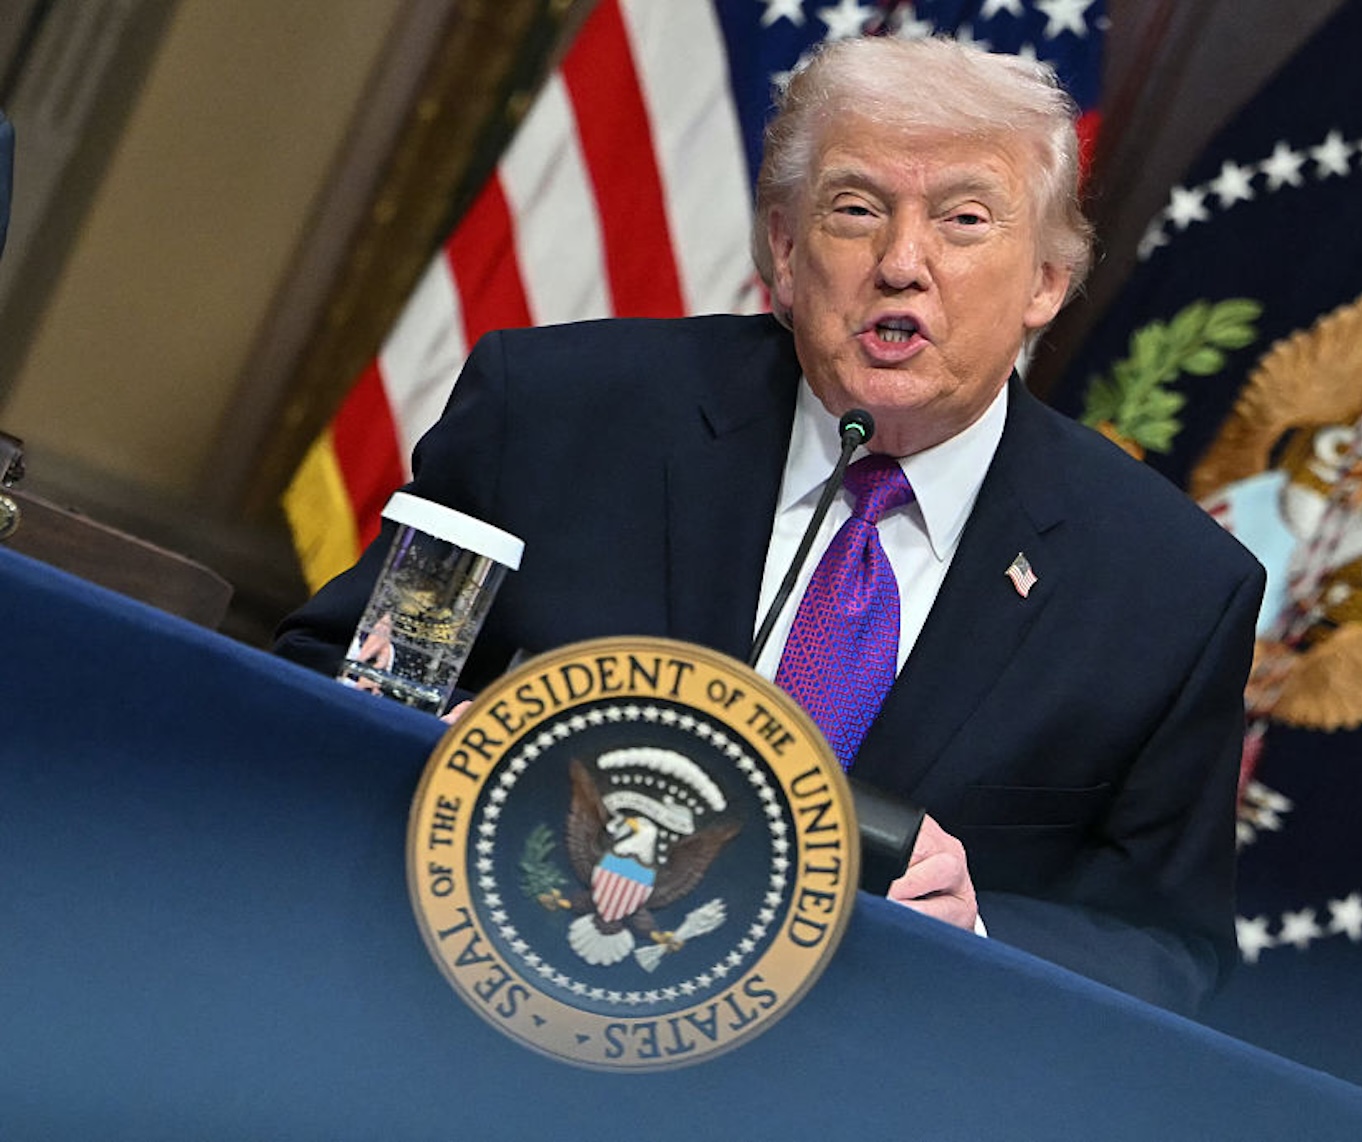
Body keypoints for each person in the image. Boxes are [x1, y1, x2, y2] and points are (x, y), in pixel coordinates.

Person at [275, 35, 1264, 1016]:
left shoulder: (1168, 588)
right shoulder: (554, 411)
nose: (902, 263)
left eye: (964, 219)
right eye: (856, 209)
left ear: (1046, 278)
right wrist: (433, 740)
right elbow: (335, 677)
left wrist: (973, 933)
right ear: (787, 252)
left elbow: (1165, 947)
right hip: (479, 1001)